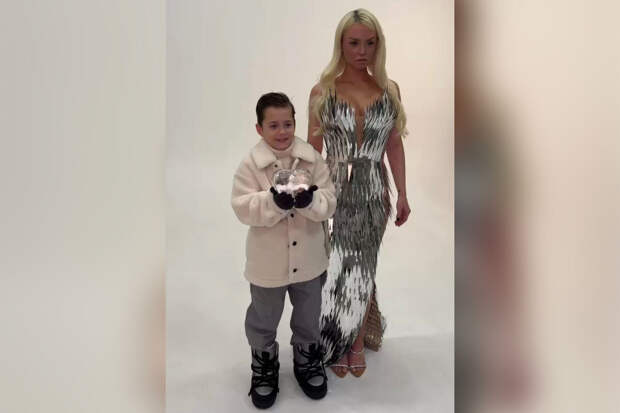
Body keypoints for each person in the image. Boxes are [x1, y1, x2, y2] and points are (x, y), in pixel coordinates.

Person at [307, 8, 412, 378]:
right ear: (341, 44)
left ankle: (354, 342)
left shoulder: (389, 90)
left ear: (378, 45)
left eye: (370, 43)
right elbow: (312, 149)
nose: (362, 51)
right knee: (336, 264)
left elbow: (394, 144)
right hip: (333, 189)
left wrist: (402, 193)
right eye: (354, 43)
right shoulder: (323, 92)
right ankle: (337, 336)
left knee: (364, 264)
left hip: (372, 191)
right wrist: (307, 196)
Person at [231, 92, 337, 408]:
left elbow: (330, 200)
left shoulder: (311, 159)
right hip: (268, 264)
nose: (282, 131)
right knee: (263, 316)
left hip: (309, 260)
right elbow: (241, 206)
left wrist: (311, 201)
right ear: (259, 128)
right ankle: (264, 361)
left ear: (295, 123)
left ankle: (307, 355)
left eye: (287, 124)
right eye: (273, 125)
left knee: (308, 313)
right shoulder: (251, 164)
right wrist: (271, 202)